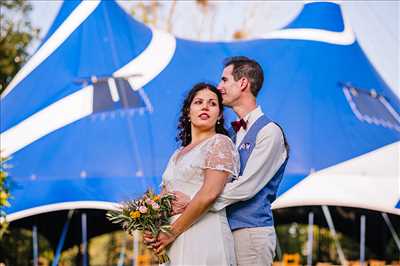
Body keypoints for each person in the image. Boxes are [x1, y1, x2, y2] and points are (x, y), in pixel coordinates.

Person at [161, 56, 289, 266]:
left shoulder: (269, 132)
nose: (219, 87)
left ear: (243, 83)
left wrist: (192, 202)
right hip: (218, 230)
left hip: (250, 232)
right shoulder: (227, 136)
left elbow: (246, 187)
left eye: (224, 80)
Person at [148, 82, 240, 265]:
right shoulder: (177, 153)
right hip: (172, 237)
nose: (205, 106)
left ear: (220, 115)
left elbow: (209, 194)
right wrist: (152, 226)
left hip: (203, 232)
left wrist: (171, 232)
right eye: (198, 102)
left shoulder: (219, 143)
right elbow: (164, 199)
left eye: (212, 103)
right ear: (188, 112)